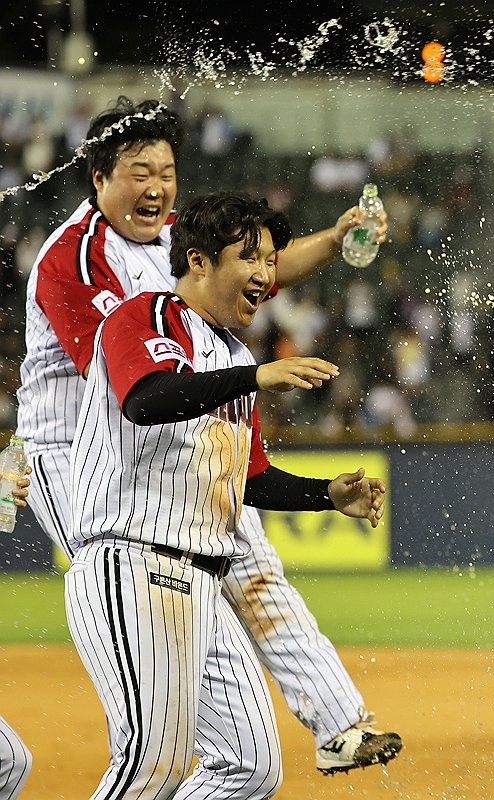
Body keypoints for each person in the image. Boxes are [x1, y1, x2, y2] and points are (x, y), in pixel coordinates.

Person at [15, 96, 401, 775]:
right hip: (74, 449)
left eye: (166, 170)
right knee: (141, 580)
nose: (156, 186)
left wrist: (335, 241)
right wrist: (249, 378)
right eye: (138, 171)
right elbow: (123, 379)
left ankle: (337, 723)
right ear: (98, 178)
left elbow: (258, 271)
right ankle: (151, 723)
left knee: (243, 556)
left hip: (174, 432)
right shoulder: (75, 258)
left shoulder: (177, 250)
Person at [65, 192, 387, 799]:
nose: (266, 274)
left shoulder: (234, 355)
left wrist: (325, 494)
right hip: (130, 565)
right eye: (250, 257)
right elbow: (147, 399)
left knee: (251, 767)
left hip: (204, 583)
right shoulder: (146, 317)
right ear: (199, 261)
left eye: (271, 259)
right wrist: (255, 377)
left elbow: (251, 478)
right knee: (150, 765)